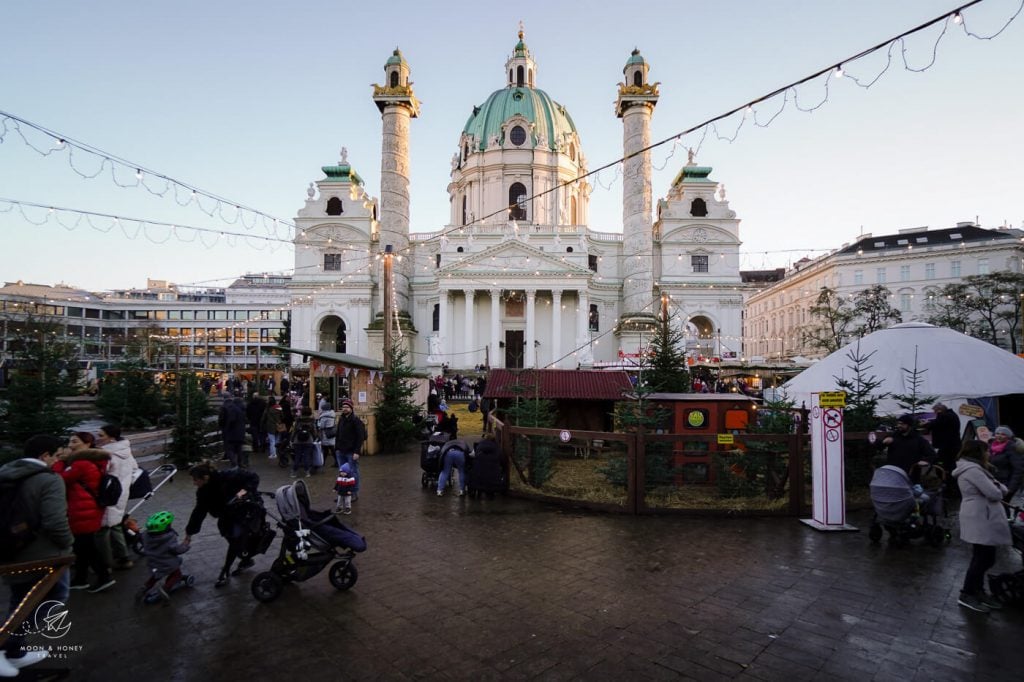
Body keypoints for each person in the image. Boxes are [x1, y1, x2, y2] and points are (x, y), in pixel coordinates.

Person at [0, 435, 74, 676]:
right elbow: (55, 522)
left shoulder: (7, 473)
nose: (58, 460)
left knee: (20, 599)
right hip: (44, 555)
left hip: (10, 551)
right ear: (44, 456)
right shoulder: (48, 480)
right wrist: (68, 544)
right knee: (53, 598)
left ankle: (14, 652)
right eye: (56, 455)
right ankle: (5, 643)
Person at [952, 439, 1011, 613]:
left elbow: (1000, 491)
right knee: (983, 558)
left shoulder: (977, 469)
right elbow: (995, 493)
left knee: (983, 556)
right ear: (978, 453)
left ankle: (977, 590)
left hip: (982, 515)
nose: (989, 454)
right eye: (986, 451)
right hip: (981, 516)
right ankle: (967, 593)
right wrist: (998, 487)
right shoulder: (973, 471)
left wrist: (998, 488)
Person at [183, 462, 261, 587]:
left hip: (245, 510)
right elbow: (199, 512)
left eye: (196, 479)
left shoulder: (228, 476)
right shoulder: (203, 492)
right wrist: (189, 533)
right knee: (231, 537)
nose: (194, 483)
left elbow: (253, 477)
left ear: (205, 477)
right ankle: (246, 559)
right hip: (227, 514)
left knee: (235, 538)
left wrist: (242, 492)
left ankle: (225, 571)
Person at [52, 442, 115, 594]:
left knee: (86, 547)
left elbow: (59, 479)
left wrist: (59, 463)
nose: (68, 446)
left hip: (83, 511)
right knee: (82, 547)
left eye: (73, 442)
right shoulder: (93, 462)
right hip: (88, 509)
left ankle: (103, 577)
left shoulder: (81, 464)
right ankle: (81, 578)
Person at [95, 423, 138, 571]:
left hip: (107, 494)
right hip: (121, 493)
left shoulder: (105, 454)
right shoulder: (126, 451)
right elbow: (134, 469)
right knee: (116, 524)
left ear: (111, 438)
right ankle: (124, 557)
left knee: (103, 529)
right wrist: (125, 485)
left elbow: (99, 475)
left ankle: (105, 566)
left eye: (101, 435)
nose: (98, 438)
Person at [137, 510, 191, 604]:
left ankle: (145, 587)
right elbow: (178, 550)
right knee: (176, 574)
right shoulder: (168, 539)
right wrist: (186, 542)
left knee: (155, 576)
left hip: (153, 562)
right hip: (168, 564)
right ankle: (165, 589)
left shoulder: (146, 536)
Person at [335, 399, 366, 500]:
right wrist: (337, 448)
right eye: (343, 407)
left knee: (353, 472)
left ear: (351, 409)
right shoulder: (341, 419)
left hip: (351, 451)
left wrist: (357, 451)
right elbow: (338, 434)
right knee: (343, 473)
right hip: (341, 450)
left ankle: (353, 492)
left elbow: (361, 437)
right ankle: (343, 492)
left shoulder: (356, 421)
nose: (345, 409)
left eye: (347, 407)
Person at [987, 425, 1024, 504]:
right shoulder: (990, 447)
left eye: (1003, 434)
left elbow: (1018, 470)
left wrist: (1011, 488)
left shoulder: (1013, 448)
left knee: (1003, 506)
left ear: (1008, 436)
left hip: (1006, 483)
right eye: (997, 433)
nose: (999, 436)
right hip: (993, 482)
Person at [929, 403, 962, 474]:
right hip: (952, 444)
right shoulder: (951, 415)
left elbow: (937, 424)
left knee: (946, 463)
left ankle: (947, 478)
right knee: (949, 462)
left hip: (948, 446)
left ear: (939, 410)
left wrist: (927, 424)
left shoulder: (945, 416)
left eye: (935, 411)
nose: (935, 413)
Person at [218, 392, 247, 468]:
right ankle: (240, 462)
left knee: (229, 448)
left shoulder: (227, 408)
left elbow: (227, 420)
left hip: (231, 432)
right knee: (239, 448)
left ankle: (234, 462)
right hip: (240, 432)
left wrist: (225, 427)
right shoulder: (241, 409)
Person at [291, 406, 318, 478]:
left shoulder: (298, 419)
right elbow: (314, 430)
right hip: (308, 440)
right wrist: (315, 438)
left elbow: (294, 430)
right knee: (307, 456)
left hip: (297, 440)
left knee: (297, 456)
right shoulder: (312, 420)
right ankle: (307, 472)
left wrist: (292, 439)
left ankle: (294, 472)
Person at [317, 402, 338, 468]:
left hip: (325, 434)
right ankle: (336, 462)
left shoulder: (324, 416)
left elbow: (321, 426)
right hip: (331, 433)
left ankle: (322, 463)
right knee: (332, 449)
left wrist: (318, 424)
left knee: (325, 450)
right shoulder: (332, 414)